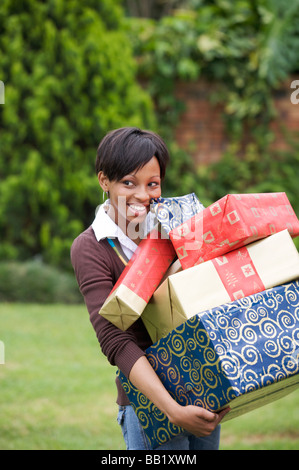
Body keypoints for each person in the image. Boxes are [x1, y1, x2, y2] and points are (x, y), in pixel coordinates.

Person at [70, 127, 229, 450]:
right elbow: (115, 340)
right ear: (104, 181)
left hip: (201, 391)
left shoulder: (176, 227)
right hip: (150, 409)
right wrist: (172, 410)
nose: (143, 195)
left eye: (152, 184)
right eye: (128, 183)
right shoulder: (91, 247)